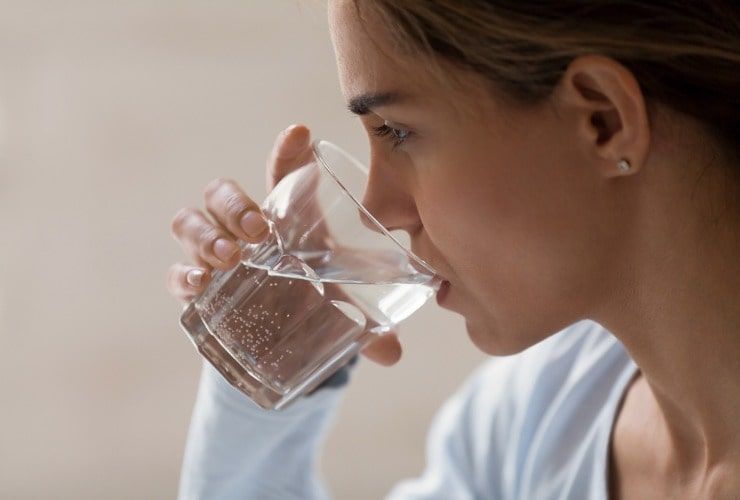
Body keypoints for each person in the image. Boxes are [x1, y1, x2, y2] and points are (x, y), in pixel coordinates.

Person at [167, 1, 740, 498]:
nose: (381, 209)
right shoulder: (531, 422)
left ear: (602, 119)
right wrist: (267, 352)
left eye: (398, 131)